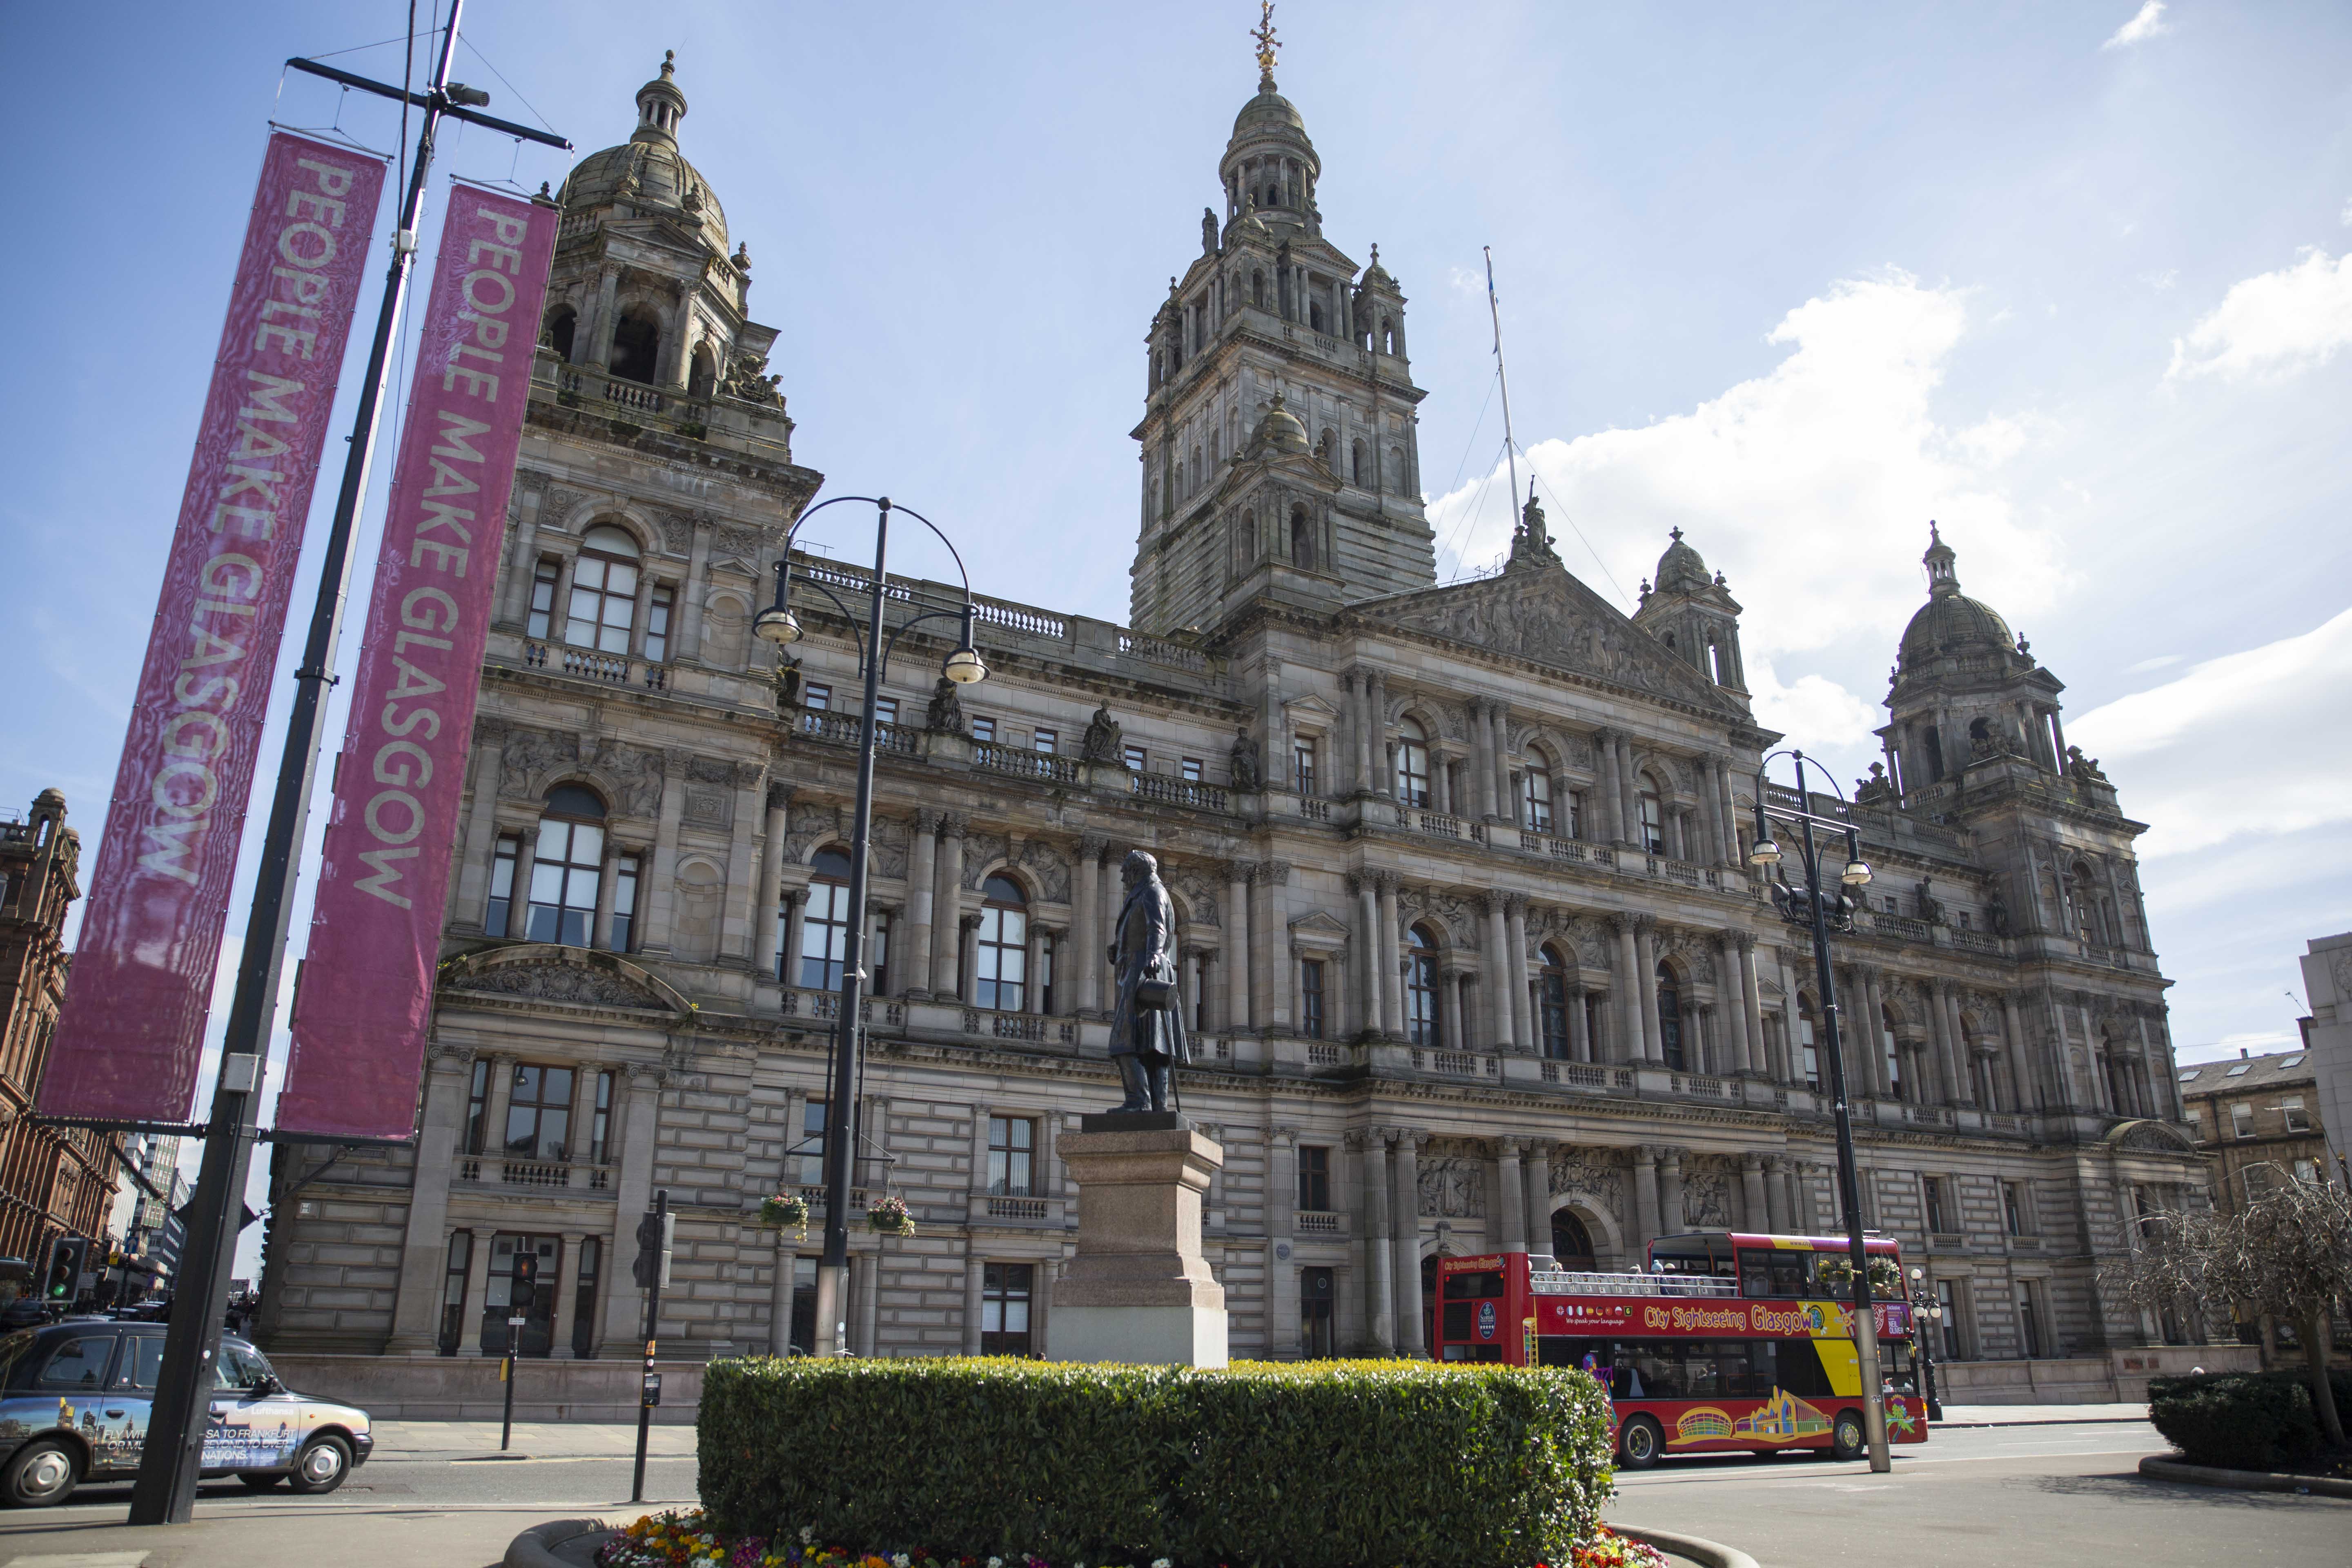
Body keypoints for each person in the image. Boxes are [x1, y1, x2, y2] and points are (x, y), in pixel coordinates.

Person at [1106, 849, 1189, 1113]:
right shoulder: (1147, 892)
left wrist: (1153, 956)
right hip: (1143, 966)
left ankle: (1140, 1101)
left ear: (1134, 871)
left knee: (1126, 1040)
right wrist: (1119, 947)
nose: (1122, 881)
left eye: (1124, 874)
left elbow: (1158, 929)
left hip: (1144, 972)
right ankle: (1158, 1107)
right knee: (1154, 1045)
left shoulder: (1152, 892)